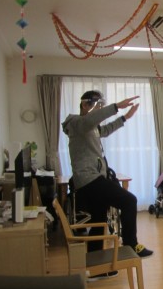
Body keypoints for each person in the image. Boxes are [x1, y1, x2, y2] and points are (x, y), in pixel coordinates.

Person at [62, 90, 153, 262]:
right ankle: (131, 245)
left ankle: (95, 262)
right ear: (85, 105)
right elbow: (89, 120)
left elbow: (104, 130)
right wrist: (116, 106)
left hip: (92, 178)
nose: (100, 109)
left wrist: (125, 117)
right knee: (129, 201)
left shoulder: (90, 128)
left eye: (102, 106)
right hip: (89, 179)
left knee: (100, 218)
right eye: (98, 105)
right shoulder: (76, 123)